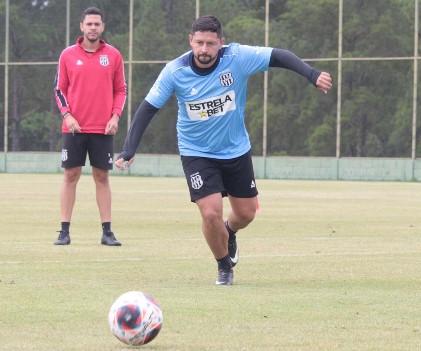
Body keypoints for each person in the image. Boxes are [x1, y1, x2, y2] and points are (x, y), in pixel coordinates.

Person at [115, 15, 332, 284]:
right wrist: (128, 148)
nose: (204, 50)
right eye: (199, 43)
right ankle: (224, 266)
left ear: (221, 43)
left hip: (235, 149)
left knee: (246, 213)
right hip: (196, 152)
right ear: (190, 41)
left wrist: (312, 75)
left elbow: (280, 56)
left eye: (210, 43)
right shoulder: (175, 71)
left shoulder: (238, 57)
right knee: (210, 212)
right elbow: (148, 108)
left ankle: (229, 233)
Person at [53, 7, 127, 246]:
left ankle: (107, 232)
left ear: (102, 27)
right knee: (70, 176)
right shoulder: (67, 55)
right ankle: (64, 231)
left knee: (102, 177)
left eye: (97, 24)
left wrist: (115, 117)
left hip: (103, 128)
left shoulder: (113, 55)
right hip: (74, 128)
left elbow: (120, 90)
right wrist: (67, 115)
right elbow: (59, 89)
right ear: (81, 27)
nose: (93, 28)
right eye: (89, 24)